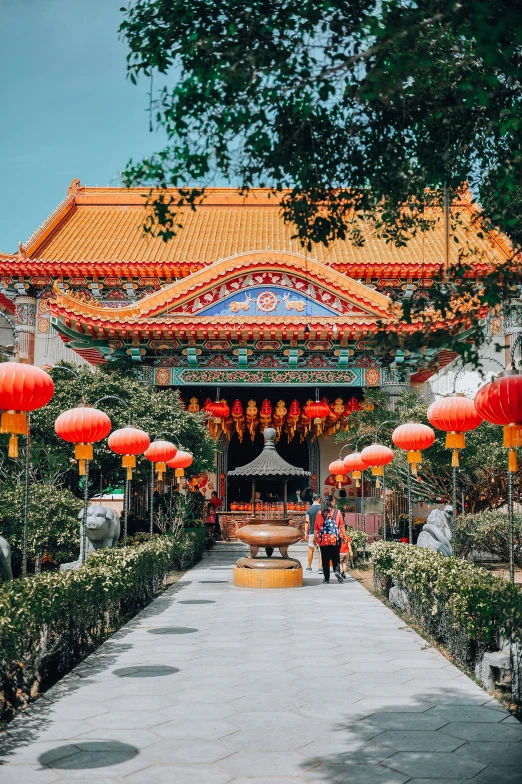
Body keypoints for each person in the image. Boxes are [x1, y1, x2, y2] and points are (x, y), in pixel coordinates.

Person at [314, 496, 345, 584]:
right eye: (334, 500)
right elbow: (341, 525)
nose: (335, 502)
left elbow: (316, 527)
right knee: (335, 557)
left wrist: (315, 538)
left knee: (325, 559)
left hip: (323, 539)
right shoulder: (337, 512)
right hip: (335, 539)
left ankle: (326, 578)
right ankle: (336, 572)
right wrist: (345, 536)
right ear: (331, 502)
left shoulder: (320, 513)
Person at [304, 493, 322, 573]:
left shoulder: (309, 509)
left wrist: (305, 533)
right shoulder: (322, 509)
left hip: (311, 532)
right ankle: (320, 568)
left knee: (311, 549)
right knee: (321, 550)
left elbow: (307, 522)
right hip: (321, 533)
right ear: (319, 499)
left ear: (312, 500)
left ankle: (309, 567)